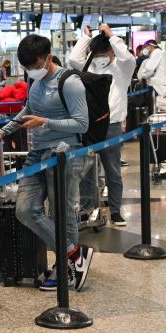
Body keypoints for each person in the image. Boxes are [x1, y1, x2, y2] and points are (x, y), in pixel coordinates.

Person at [0, 34, 94, 292]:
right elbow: (27, 111)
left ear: (47, 58)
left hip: (66, 153)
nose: (31, 71)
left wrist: (46, 122)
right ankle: (74, 254)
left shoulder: (70, 83)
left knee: (63, 213)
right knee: (25, 209)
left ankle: (66, 269)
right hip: (38, 155)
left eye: (35, 65)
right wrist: (4, 132)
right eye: (27, 67)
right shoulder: (35, 83)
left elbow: (82, 123)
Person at [69, 23, 135, 226]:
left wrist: (111, 36)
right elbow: (73, 59)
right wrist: (87, 37)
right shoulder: (88, 67)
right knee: (88, 169)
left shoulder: (122, 69)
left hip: (112, 125)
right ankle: (88, 209)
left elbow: (128, 58)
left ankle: (115, 210)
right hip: (90, 126)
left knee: (112, 170)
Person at [138, 40, 166, 112]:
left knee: (158, 105)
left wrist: (142, 75)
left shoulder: (156, 53)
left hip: (158, 85)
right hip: (161, 84)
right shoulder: (160, 53)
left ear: (150, 46)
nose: (144, 49)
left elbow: (149, 69)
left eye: (145, 47)